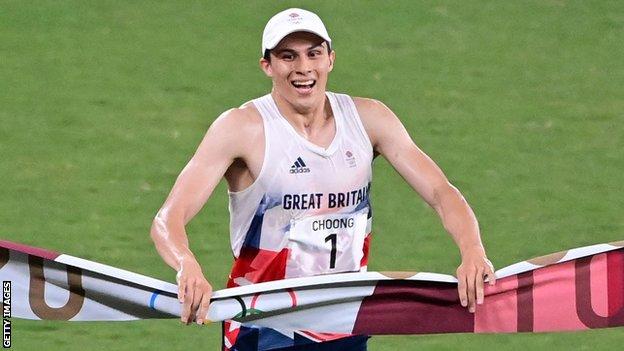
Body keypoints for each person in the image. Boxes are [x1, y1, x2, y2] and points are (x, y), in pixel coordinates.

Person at [150, 7, 496, 351]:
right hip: (265, 327)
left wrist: (473, 250)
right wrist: (187, 265)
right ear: (267, 66)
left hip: (343, 321)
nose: (303, 68)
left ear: (330, 59)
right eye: (288, 56)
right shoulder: (241, 128)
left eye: (313, 54)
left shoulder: (369, 119)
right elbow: (168, 218)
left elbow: (440, 191)